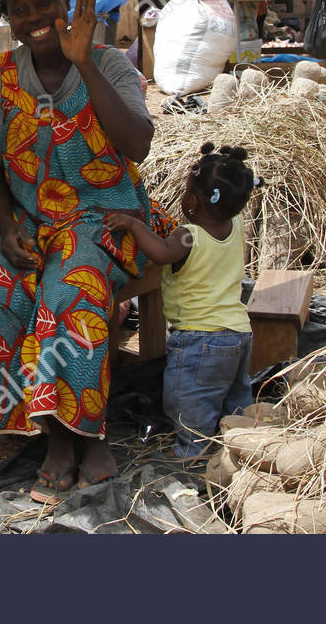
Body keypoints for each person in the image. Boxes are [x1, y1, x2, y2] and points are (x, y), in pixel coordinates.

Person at [0, 0, 174, 503]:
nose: (33, 16)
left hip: (106, 216)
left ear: (66, 2)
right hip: (25, 219)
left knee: (69, 292)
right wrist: (3, 227)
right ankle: (50, 432)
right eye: (18, 9)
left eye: (43, 2)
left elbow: (137, 143)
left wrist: (85, 66)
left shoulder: (109, 61)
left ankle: (80, 431)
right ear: (8, 19)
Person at [104, 143, 261, 459]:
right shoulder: (236, 226)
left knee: (189, 402)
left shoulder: (187, 236)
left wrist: (133, 224)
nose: (183, 197)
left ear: (198, 201)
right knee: (235, 399)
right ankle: (245, 448)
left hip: (201, 340)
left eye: (187, 191)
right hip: (239, 333)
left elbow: (161, 253)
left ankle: (194, 456)